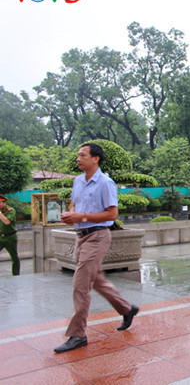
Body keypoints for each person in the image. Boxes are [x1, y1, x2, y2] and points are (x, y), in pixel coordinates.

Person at [54, 143, 138, 353]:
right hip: (81, 237)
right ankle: (127, 308)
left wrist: (81, 217)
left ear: (95, 158)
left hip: (98, 236)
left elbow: (112, 214)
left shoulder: (105, 183)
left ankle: (77, 334)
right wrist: (70, 214)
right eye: (78, 155)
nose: (78, 158)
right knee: (96, 279)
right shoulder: (78, 181)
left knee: (80, 284)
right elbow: (74, 203)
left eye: (82, 155)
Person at [0, 196, 19, 276]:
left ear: (4, 203)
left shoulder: (11, 210)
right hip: (0, 236)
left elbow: (7, 222)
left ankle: (16, 274)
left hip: (10, 237)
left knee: (14, 257)